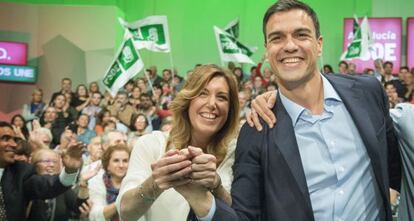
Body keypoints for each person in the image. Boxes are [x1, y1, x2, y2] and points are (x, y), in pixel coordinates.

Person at [209, 1, 401, 221]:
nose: (289, 46)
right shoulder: (256, 131)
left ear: (319, 45)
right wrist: (203, 200)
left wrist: (391, 197)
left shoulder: (368, 93)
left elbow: (392, 161)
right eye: (277, 38)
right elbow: (245, 216)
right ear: (267, 50)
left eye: (301, 35)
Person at [116, 64, 240, 221]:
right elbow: (126, 212)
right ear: (188, 100)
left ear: (230, 109)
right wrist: (154, 184)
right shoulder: (151, 144)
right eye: (202, 94)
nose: (212, 104)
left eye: (221, 97)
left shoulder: (236, 152)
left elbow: (241, 214)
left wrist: (216, 186)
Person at [0, 121, 83, 221]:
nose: (13, 144)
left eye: (14, 140)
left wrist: (70, 171)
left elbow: (48, 185)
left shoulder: (21, 171)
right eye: (5, 139)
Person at [88, 144, 130, 220]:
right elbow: (95, 216)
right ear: (107, 164)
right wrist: (120, 202)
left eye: (125, 161)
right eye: (116, 160)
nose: (121, 165)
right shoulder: (97, 182)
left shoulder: (134, 182)